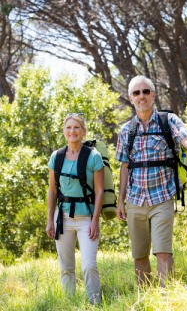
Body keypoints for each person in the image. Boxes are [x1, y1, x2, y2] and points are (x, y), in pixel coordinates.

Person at [116, 76, 187, 287]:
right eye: (136, 93)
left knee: (163, 252)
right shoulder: (126, 131)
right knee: (139, 255)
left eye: (146, 91)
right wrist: (120, 201)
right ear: (130, 98)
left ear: (153, 95)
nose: (142, 96)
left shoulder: (169, 121)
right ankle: (146, 299)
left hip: (162, 197)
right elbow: (124, 167)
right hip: (135, 200)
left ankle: (166, 300)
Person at [46, 113, 104, 304]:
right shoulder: (57, 157)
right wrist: (49, 220)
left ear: (84, 131)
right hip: (62, 218)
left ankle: (95, 304)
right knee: (66, 267)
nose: (72, 131)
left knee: (89, 265)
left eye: (76, 127)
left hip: (86, 218)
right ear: (64, 131)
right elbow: (52, 191)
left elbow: (99, 190)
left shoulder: (93, 157)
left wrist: (95, 220)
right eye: (69, 128)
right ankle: (69, 304)